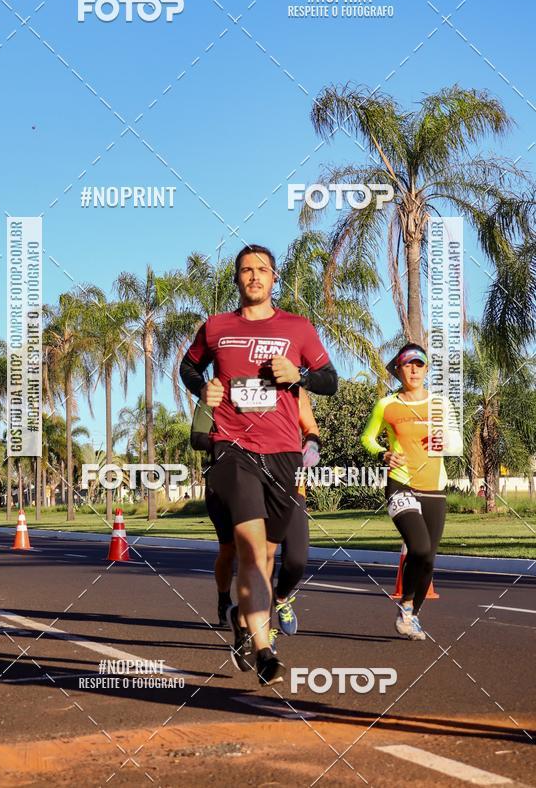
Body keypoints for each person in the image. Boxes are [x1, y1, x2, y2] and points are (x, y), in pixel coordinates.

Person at [180, 243, 337, 686]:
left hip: (284, 452)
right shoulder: (216, 328)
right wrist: (203, 389)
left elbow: (330, 380)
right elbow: (188, 367)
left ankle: (242, 621)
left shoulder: (298, 328)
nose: (254, 277)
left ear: (274, 279)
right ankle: (266, 649)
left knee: (268, 555)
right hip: (232, 447)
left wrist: (299, 375)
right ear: (237, 280)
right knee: (250, 550)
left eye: (262, 270)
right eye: (246, 270)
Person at [361, 343, 462, 640]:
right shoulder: (386, 405)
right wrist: (383, 454)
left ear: (426, 369)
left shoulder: (441, 404)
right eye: (408, 365)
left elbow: (457, 443)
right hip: (400, 483)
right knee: (417, 548)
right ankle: (406, 604)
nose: (414, 370)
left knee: (428, 557)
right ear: (398, 369)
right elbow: (367, 438)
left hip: (434, 486)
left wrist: (443, 441)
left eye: (420, 364)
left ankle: (410, 614)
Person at [208, 389, 320, 641]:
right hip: (251, 485)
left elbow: (311, 426)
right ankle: (262, 631)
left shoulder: (294, 390)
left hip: (290, 481)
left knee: (297, 559)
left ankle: (281, 597)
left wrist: (311, 444)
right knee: (260, 557)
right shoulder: (237, 386)